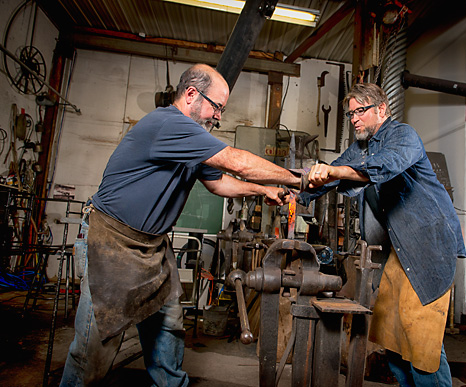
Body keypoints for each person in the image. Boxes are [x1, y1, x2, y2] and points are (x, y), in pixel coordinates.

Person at [60, 63, 301, 386]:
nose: (218, 116)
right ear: (190, 94)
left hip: (153, 246)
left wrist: (263, 190)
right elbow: (236, 162)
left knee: (168, 326)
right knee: (96, 344)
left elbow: (219, 184)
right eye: (217, 107)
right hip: (113, 242)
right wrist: (299, 178)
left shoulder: (192, 141)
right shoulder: (168, 125)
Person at [299, 83, 466, 386]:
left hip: (428, 249)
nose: (354, 119)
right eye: (350, 114)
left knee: (422, 343)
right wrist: (294, 191)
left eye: (360, 111)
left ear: (382, 109)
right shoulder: (361, 148)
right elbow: (333, 173)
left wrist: (336, 172)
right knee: (392, 337)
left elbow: (382, 167)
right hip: (397, 252)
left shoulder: (403, 136)